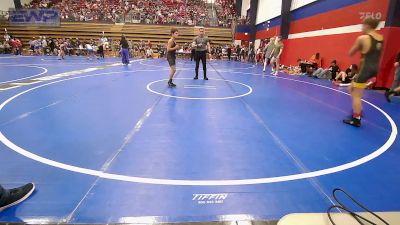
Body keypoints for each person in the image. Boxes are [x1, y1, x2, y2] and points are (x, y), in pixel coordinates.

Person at [343, 18, 383, 127]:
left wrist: (359, 46)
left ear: (367, 26)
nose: (362, 28)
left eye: (363, 25)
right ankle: (358, 109)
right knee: (351, 88)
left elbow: (351, 53)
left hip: (365, 70)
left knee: (356, 96)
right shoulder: (380, 38)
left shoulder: (362, 38)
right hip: (374, 68)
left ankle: (356, 119)